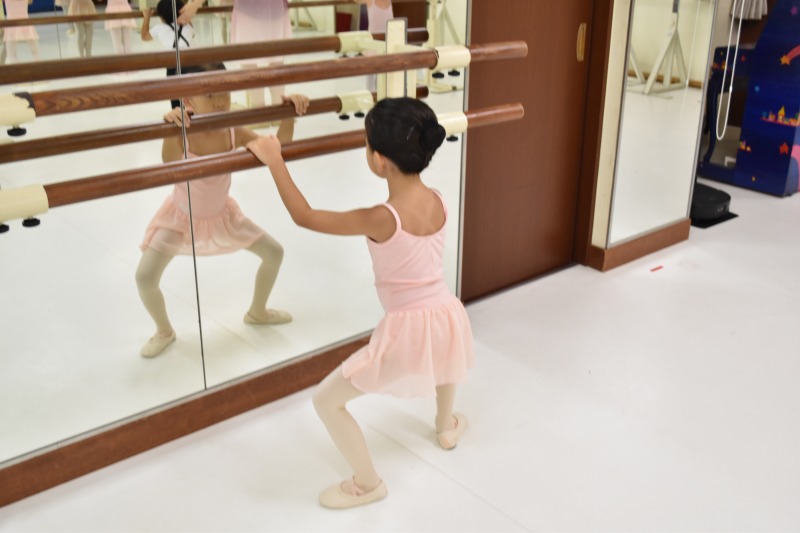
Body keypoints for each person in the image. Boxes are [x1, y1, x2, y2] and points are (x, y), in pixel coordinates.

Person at [247, 97, 475, 509]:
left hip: (407, 328)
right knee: (443, 357)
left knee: (326, 400)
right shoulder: (438, 199)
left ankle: (368, 483)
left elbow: (306, 216)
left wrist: (275, 160)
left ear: (379, 160)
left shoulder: (381, 217)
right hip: (446, 311)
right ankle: (445, 426)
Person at [135, 62, 309, 358]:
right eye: (209, 95)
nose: (219, 102)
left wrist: (289, 112)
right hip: (181, 218)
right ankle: (164, 330)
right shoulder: (183, 129)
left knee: (274, 253)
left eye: (225, 93)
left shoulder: (232, 129)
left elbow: (277, 149)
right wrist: (171, 127)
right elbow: (169, 162)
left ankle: (257, 312)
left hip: (223, 217)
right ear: (188, 100)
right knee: (145, 277)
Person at [178, 0, 291, 109]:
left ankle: (264, 110)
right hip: (269, 9)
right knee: (271, 61)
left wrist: (195, 4)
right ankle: (274, 110)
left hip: (255, 10)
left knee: (255, 63)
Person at [141, 0, 194, 108]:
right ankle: (192, 110)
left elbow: (144, 36)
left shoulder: (160, 28)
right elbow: (193, 35)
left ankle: (177, 112)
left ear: (161, 17)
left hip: (172, 64)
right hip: (189, 62)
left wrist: (147, 17)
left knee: (174, 92)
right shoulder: (187, 26)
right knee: (190, 92)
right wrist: (187, 18)